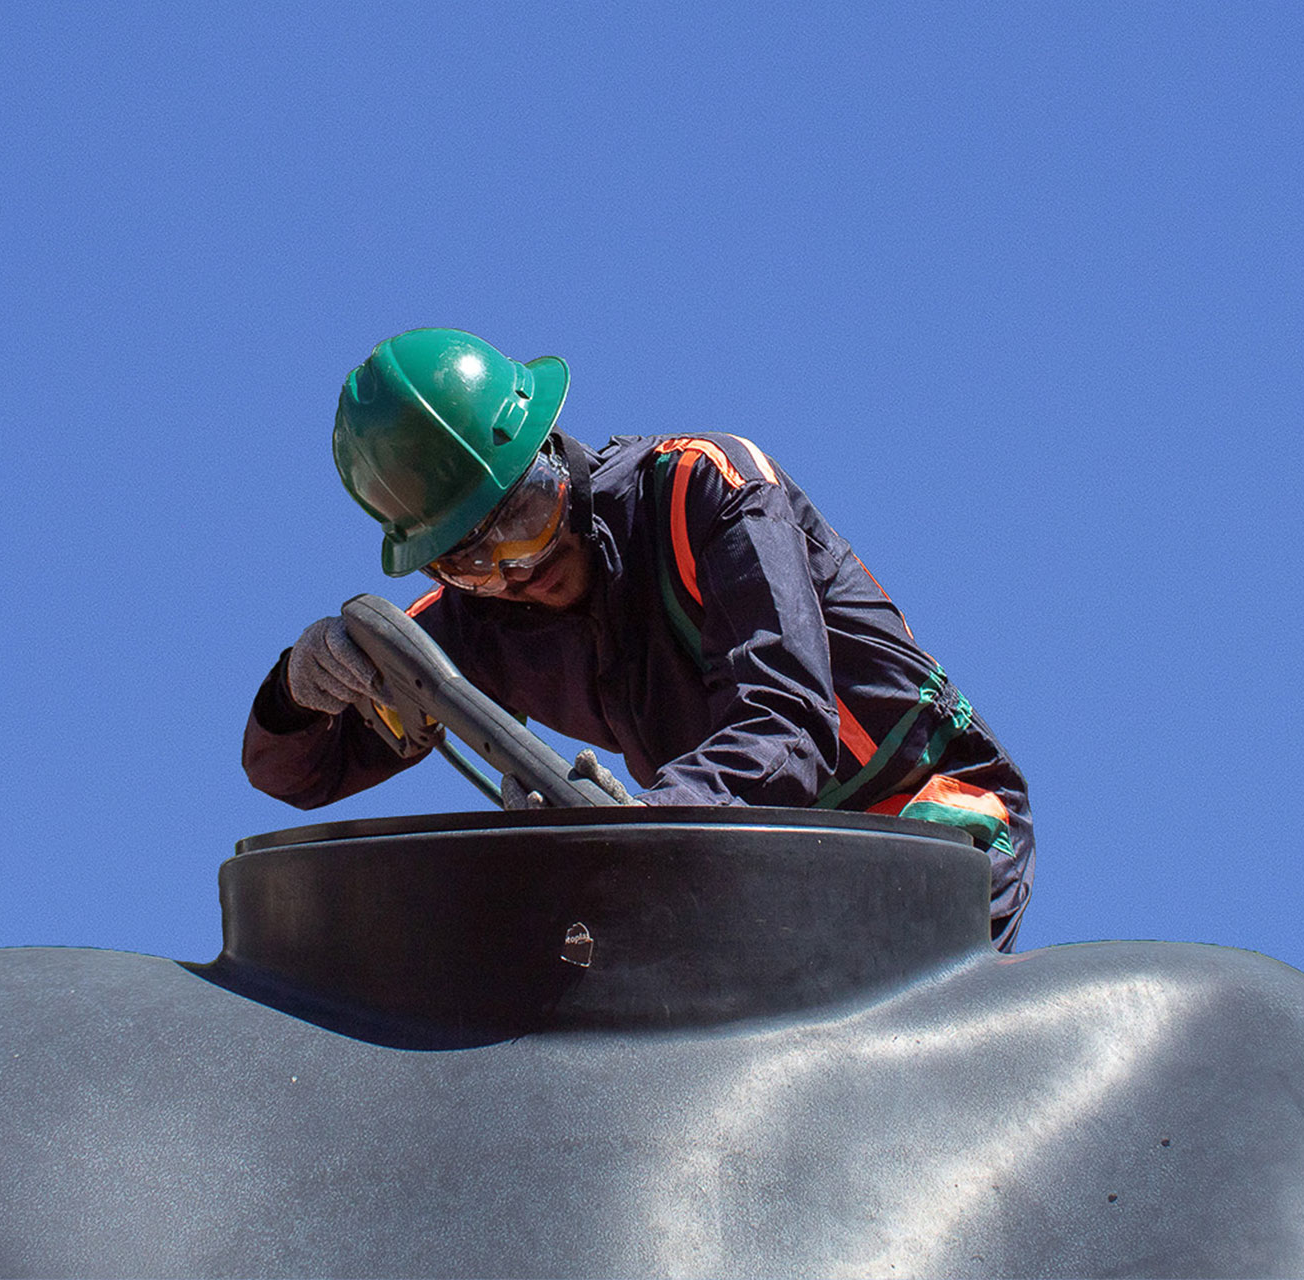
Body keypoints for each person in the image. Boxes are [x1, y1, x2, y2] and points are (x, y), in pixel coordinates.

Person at [243, 328, 1036, 949]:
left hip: (923, 825)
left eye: (525, 519)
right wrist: (300, 687)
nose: (518, 571)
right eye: (474, 559)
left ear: (552, 453)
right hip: (739, 870)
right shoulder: (477, 626)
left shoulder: (706, 489)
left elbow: (787, 724)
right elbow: (298, 770)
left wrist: (644, 822)